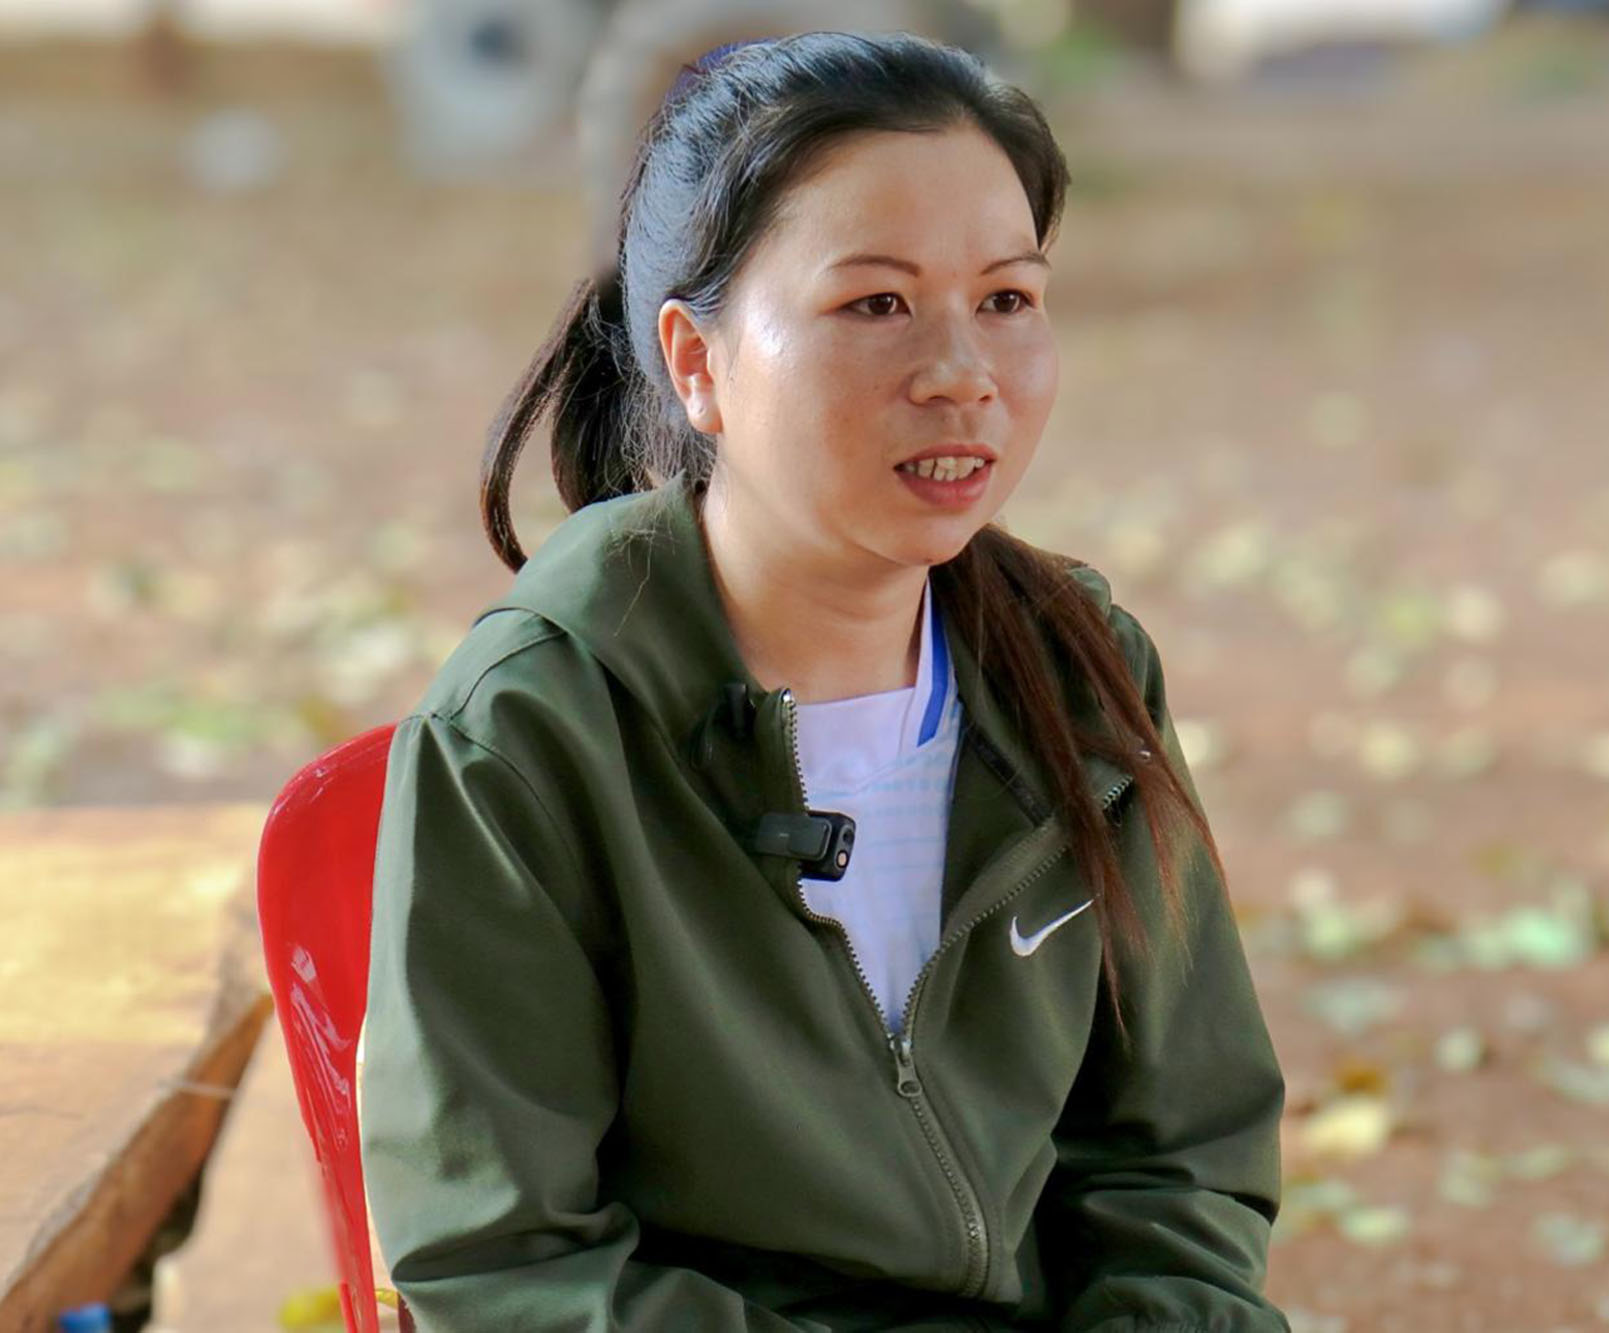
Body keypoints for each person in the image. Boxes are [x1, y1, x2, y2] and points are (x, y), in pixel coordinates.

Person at [357, 29, 1290, 1332]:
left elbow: (1181, 1150)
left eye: (1008, 299)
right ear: (697, 363)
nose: (963, 373)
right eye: (877, 304)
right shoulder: (530, 728)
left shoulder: (1082, 670)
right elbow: (502, 1257)